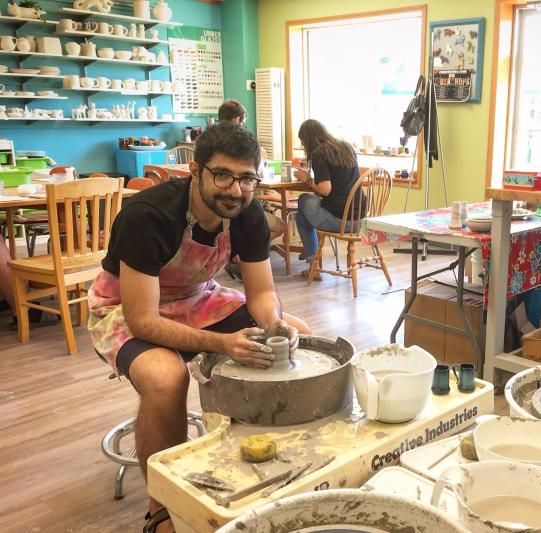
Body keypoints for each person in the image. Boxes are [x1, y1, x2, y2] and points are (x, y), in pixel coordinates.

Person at [87, 123, 310, 532]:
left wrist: (273, 323)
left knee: (297, 332)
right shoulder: (148, 216)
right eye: (222, 174)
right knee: (166, 377)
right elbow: (142, 320)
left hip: (195, 295)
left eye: (246, 178)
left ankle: (260, 464)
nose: (234, 189)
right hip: (124, 305)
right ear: (196, 171)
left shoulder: (249, 215)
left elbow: (261, 293)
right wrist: (222, 343)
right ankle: (161, 509)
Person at [217, 99, 286, 281]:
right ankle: (244, 258)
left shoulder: (211, 141)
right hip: (239, 211)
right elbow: (258, 176)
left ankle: (233, 255)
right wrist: (261, 158)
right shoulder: (244, 144)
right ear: (238, 120)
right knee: (279, 226)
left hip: (214, 213)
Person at [293, 119, 364, 280]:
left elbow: (325, 189)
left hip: (340, 220)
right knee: (302, 216)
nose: (304, 147)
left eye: (303, 143)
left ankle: (314, 264)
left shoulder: (319, 153)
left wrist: (307, 179)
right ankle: (312, 257)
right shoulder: (345, 147)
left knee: (303, 200)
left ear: (309, 140)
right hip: (359, 218)